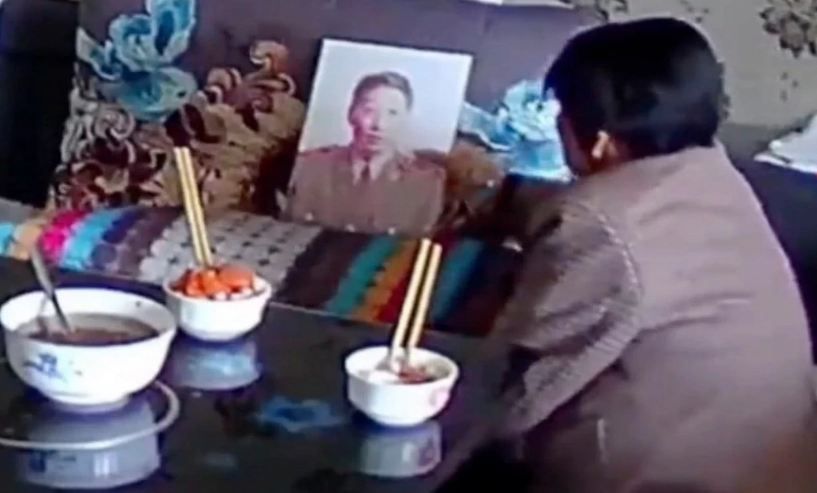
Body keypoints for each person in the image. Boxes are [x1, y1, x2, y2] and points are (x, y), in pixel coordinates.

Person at [446, 18, 817, 493]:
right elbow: (594, 212)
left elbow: (514, 395)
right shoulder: (711, 171)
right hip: (775, 465)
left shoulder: (601, 223)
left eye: (562, 118)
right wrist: (497, 192)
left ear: (600, 141)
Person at [286, 71, 445, 235]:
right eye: (369, 110)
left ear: (405, 120)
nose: (379, 124)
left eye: (392, 113)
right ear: (351, 113)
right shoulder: (309, 167)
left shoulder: (426, 183)